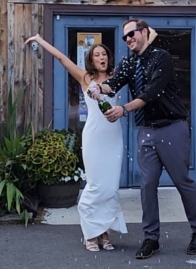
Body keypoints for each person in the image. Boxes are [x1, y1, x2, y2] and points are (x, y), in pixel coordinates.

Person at [88, 19, 196, 260]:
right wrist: (99, 89)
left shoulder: (161, 57)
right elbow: (114, 82)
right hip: (146, 131)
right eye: (125, 37)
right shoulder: (129, 62)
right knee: (147, 185)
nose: (128, 39)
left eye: (132, 34)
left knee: (182, 181)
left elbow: (151, 92)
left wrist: (123, 109)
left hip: (172, 128)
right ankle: (151, 238)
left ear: (144, 32)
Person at [24, 34, 127, 252]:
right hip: (94, 137)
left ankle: (105, 232)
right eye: (97, 54)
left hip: (114, 137)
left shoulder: (116, 76)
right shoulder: (85, 78)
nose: (102, 57)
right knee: (96, 185)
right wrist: (40, 40)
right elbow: (62, 58)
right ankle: (91, 233)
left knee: (110, 188)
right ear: (91, 58)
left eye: (104, 54)